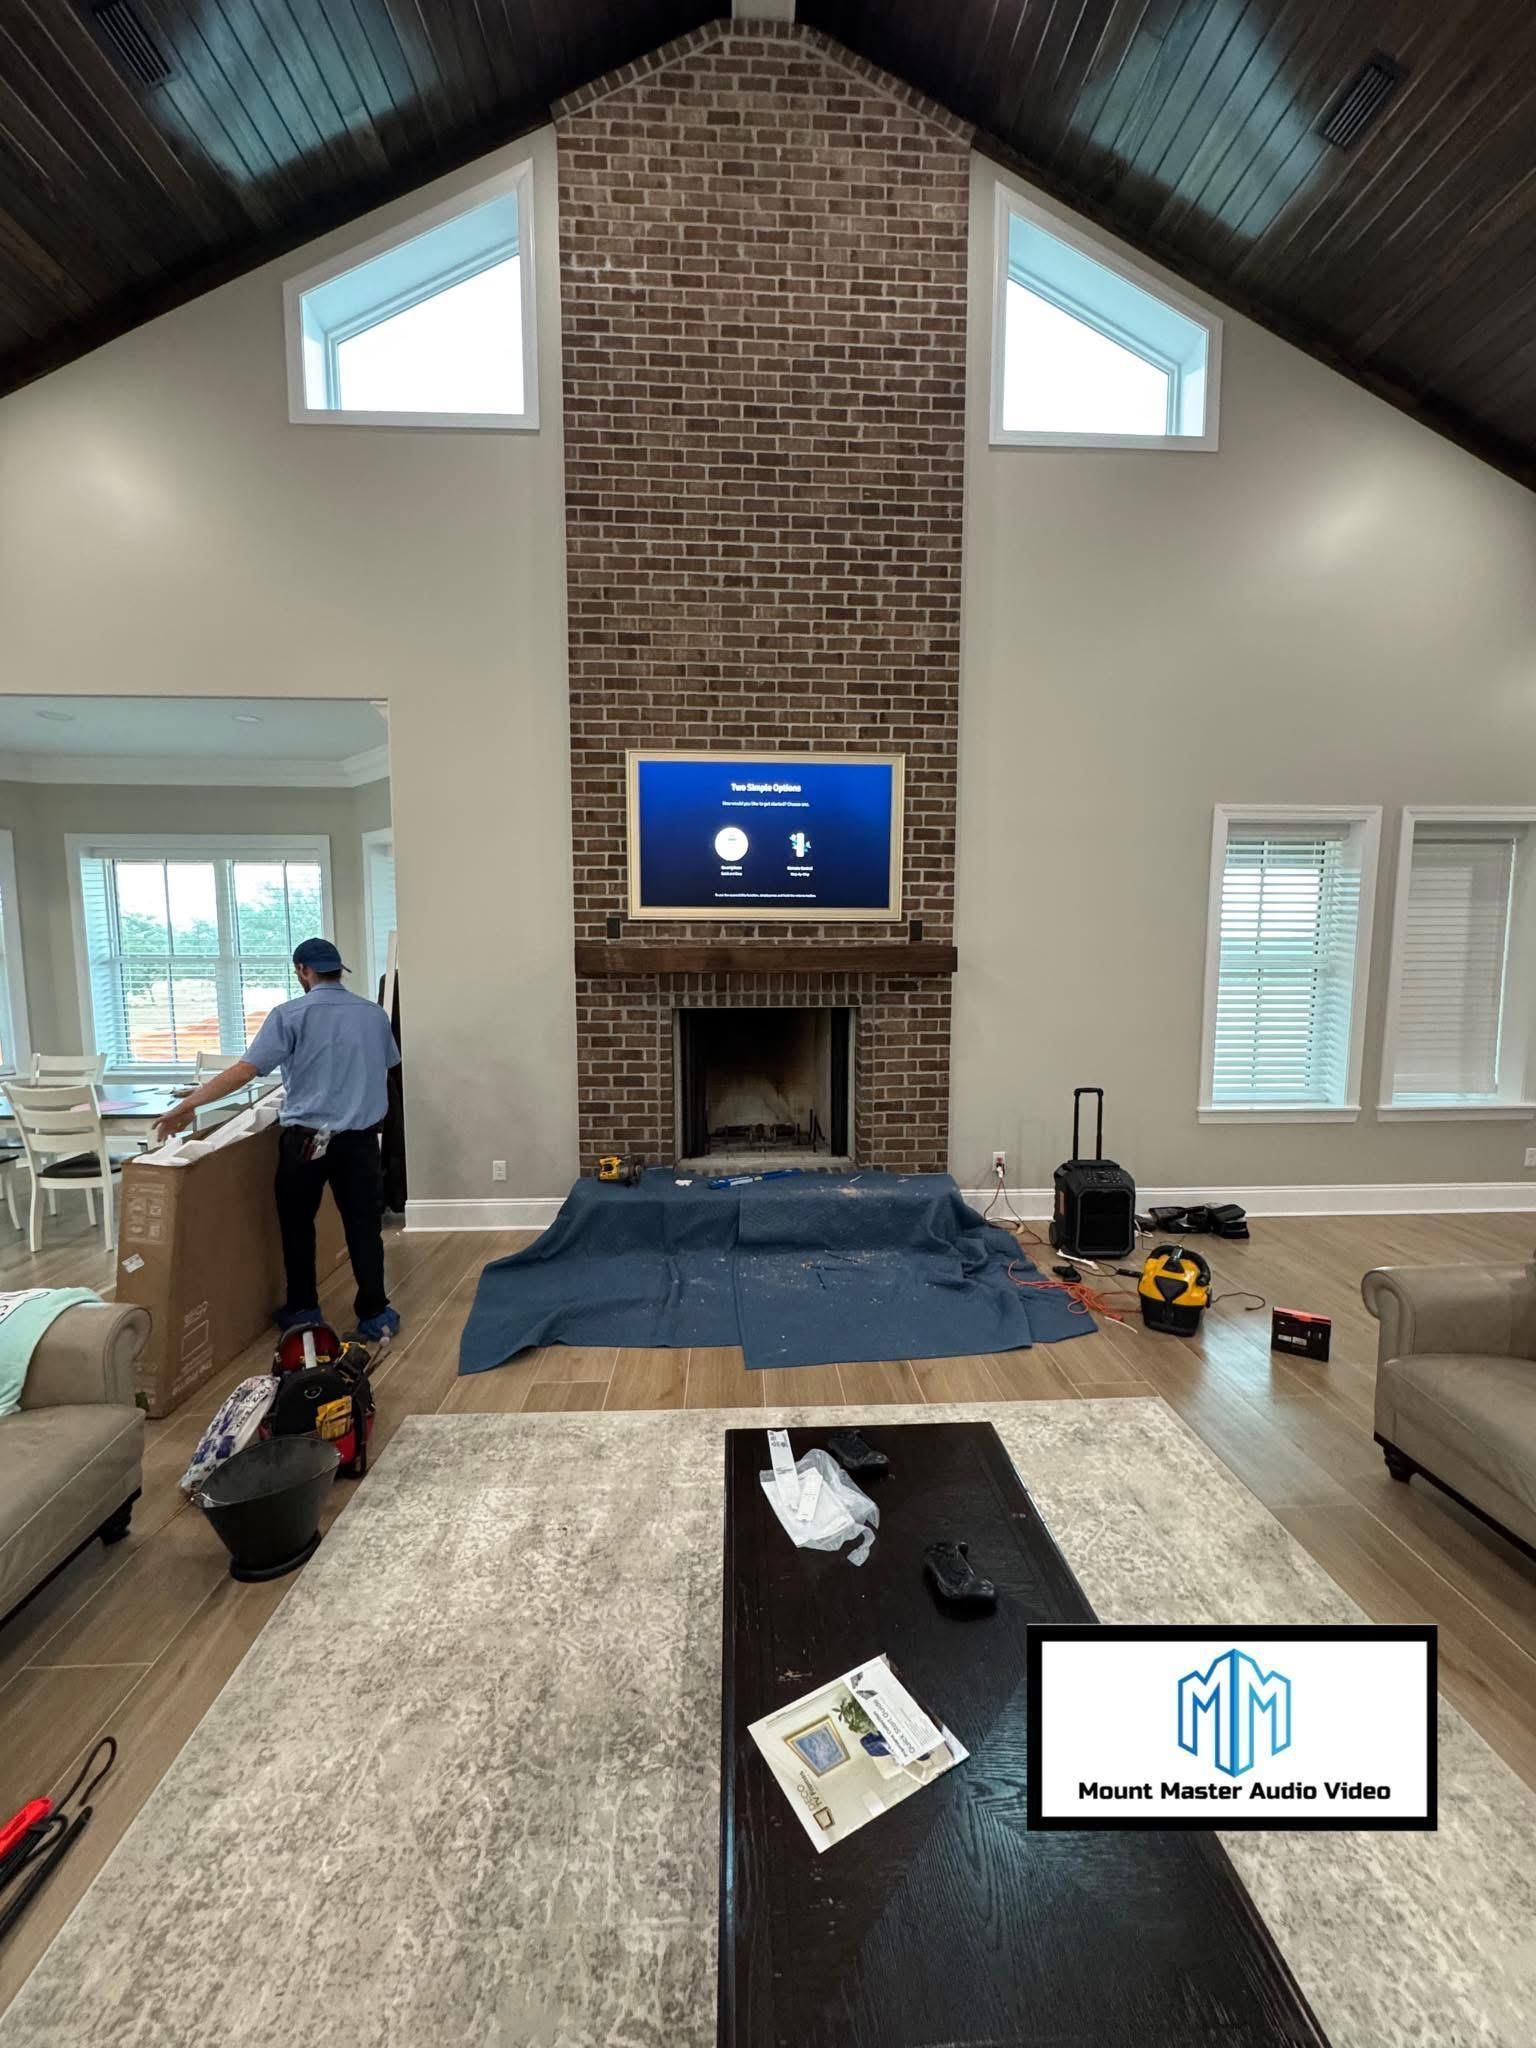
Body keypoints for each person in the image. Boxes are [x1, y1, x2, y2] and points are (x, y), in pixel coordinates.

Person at [153, 938, 403, 1346]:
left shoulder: (289, 1015)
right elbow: (389, 1066)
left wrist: (189, 1106)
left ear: (302, 970)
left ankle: (304, 1311)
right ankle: (375, 1313)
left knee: (297, 1225)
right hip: (358, 1142)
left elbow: (245, 1071)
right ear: (339, 971)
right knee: (363, 1227)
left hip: (306, 1143)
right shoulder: (373, 1015)